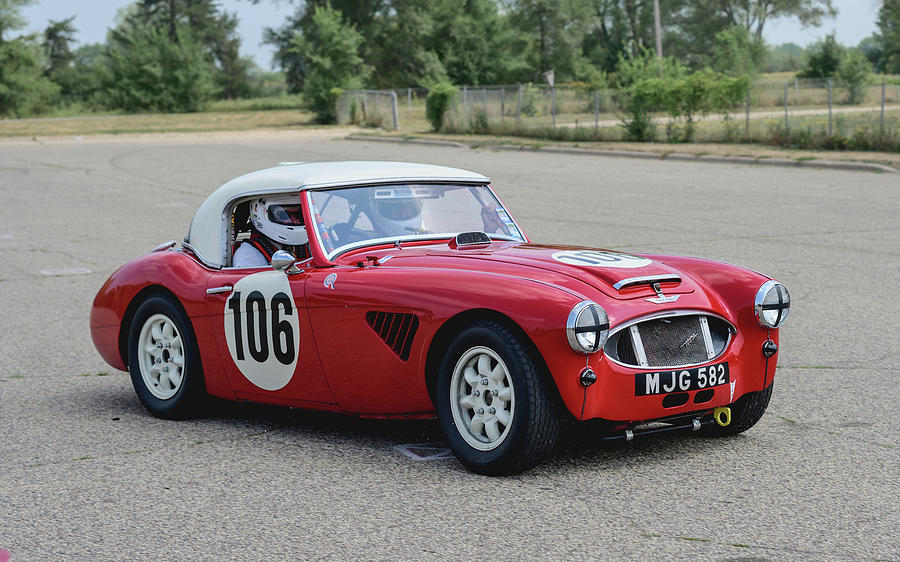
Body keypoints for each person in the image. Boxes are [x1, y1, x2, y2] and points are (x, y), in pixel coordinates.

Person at [233, 196, 309, 267]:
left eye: (299, 214)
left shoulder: (309, 246)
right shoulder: (248, 254)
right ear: (260, 214)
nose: (294, 221)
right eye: (283, 214)